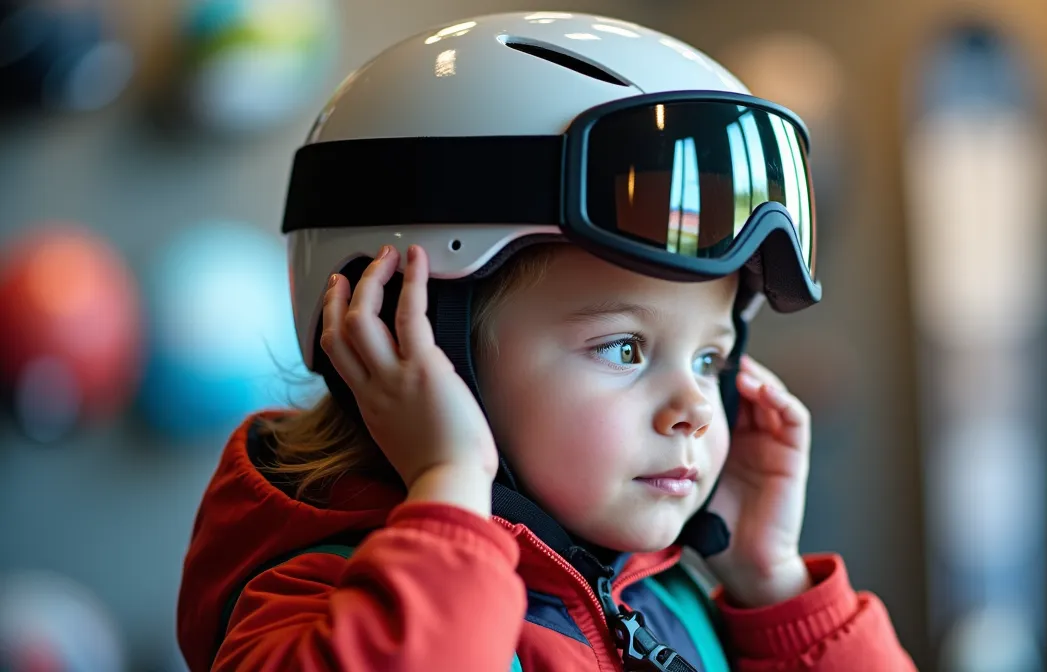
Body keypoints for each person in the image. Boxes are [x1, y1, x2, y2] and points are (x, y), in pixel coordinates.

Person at [176, 11, 915, 671]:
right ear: (416, 336)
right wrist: (451, 487)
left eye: (710, 358)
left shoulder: (682, 591)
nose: (694, 407)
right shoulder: (315, 603)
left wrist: (777, 589)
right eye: (625, 348)